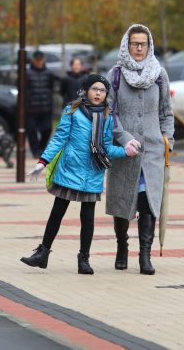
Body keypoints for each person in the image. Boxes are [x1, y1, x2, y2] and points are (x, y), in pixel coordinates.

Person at [21, 74, 140, 273]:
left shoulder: (108, 116)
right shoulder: (72, 111)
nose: (98, 94)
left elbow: (106, 148)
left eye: (102, 91)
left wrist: (125, 150)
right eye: (94, 89)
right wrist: (43, 162)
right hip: (69, 170)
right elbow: (59, 139)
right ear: (85, 91)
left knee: (88, 218)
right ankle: (42, 254)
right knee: (57, 213)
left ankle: (84, 259)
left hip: (93, 171)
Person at [106, 24, 174, 275]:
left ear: (149, 46)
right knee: (123, 201)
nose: (138, 48)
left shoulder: (159, 74)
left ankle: (144, 255)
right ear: (126, 45)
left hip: (153, 151)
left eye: (142, 44)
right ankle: (121, 246)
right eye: (134, 43)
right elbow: (108, 112)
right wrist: (123, 139)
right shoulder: (115, 74)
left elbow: (166, 112)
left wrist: (168, 140)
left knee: (149, 202)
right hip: (124, 152)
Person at [25, 49, 58, 157]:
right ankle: (35, 151)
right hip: (31, 109)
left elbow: (51, 89)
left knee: (47, 129)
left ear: (43, 60)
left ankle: (42, 147)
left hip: (45, 108)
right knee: (32, 131)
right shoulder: (27, 73)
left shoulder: (49, 74)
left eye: (40, 60)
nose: (39, 62)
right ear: (33, 60)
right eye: (37, 60)